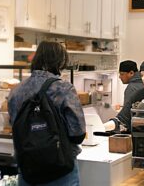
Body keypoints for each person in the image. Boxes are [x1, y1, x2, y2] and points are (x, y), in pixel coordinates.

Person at [8, 41, 86, 186]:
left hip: (28, 167)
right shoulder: (63, 88)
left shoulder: (16, 90)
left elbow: (15, 126)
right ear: (60, 61)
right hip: (60, 168)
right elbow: (78, 134)